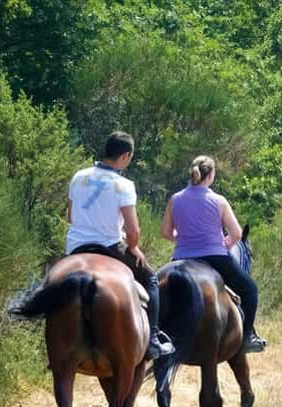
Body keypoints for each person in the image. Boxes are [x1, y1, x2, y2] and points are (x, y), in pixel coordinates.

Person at [66, 131, 174, 360]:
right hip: (109, 246)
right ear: (125, 156)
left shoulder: (78, 176)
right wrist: (133, 247)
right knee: (152, 279)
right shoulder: (123, 184)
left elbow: (70, 217)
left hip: (75, 248)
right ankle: (153, 341)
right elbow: (133, 230)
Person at [161, 155, 267, 352]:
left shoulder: (175, 199)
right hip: (215, 256)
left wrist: (185, 239)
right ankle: (247, 337)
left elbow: (166, 233)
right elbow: (236, 233)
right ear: (210, 175)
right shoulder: (218, 201)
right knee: (250, 290)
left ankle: (157, 336)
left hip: (181, 257)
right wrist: (222, 244)